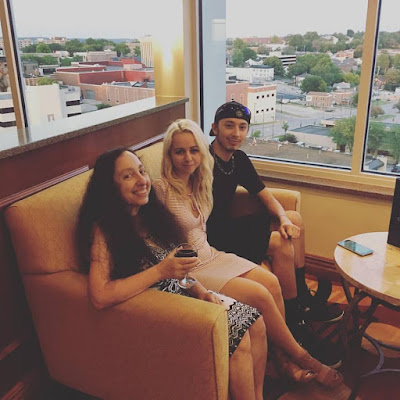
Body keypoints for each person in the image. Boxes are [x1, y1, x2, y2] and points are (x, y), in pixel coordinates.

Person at [153, 119, 343, 388]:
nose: (188, 158)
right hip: (192, 267)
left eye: (194, 150)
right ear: (169, 154)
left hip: (211, 254)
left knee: (272, 282)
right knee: (261, 295)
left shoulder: (199, 182)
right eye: (179, 151)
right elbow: (150, 239)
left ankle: (281, 360)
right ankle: (302, 358)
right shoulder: (160, 190)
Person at [76, 147, 268, 400]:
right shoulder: (104, 230)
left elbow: (176, 270)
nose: (142, 180)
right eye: (127, 176)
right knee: (239, 338)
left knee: (256, 322)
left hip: (184, 296)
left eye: (142, 171)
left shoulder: (149, 216)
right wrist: (160, 271)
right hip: (161, 312)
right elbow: (100, 296)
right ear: (109, 187)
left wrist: (200, 290)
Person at [207, 101, 344, 367]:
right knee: (281, 243)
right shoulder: (202, 159)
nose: (236, 133)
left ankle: (302, 297)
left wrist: (282, 218)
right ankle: (295, 323)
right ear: (214, 128)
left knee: (294, 219)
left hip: (227, 225)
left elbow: (265, 195)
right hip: (213, 238)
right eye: (229, 126)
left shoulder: (238, 159)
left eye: (242, 127)